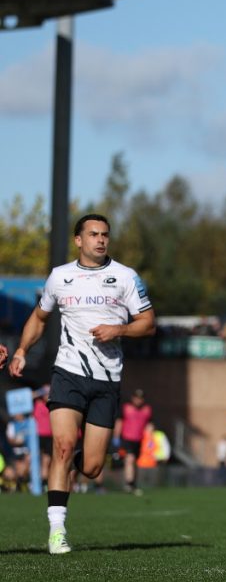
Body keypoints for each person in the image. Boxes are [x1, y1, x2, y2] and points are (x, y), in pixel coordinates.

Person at [1, 213, 155, 554]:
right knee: (63, 446)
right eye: (93, 234)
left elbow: (148, 323)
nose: (100, 240)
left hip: (107, 379)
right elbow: (39, 317)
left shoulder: (126, 277)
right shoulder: (60, 277)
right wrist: (22, 350)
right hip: (67, 373)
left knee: (91, 466)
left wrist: (120, 329)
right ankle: (57, 531)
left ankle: (81, 463)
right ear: (78, 240)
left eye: (105, 235)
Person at [114, 388, 151, 494]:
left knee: (135, 461)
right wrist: (116, 437)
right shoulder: (126, 408)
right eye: (136, 398)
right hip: (126, 438)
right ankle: (129, 483)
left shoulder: (147, 410)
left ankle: (133, 483)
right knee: (129, 459)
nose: (138, 400)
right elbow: (119, 422)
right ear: (133, 398)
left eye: (140, 398)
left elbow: (149, 424)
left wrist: (149, 438)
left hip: (139, 440)